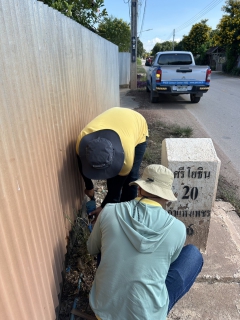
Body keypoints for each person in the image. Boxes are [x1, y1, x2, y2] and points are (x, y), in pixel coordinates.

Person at [87, 164, 204, 320]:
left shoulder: (109, 211)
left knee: (107, 238)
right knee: (193, 254)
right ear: (166, 197)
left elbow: (91, 248)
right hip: (147, 316)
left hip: (103, 312)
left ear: (140, 188)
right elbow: (169, 265)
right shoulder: (178, 228)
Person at [76, 107, 148, 219]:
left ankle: (126, 215)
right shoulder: (82, 141)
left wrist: (104, 206)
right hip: (115, 118)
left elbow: (116, 188)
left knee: (130, 178)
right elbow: (81, 164)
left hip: (136, 123)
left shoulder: (126, 159)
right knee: (112, 176)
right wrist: (89, 186)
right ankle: (114, 211)